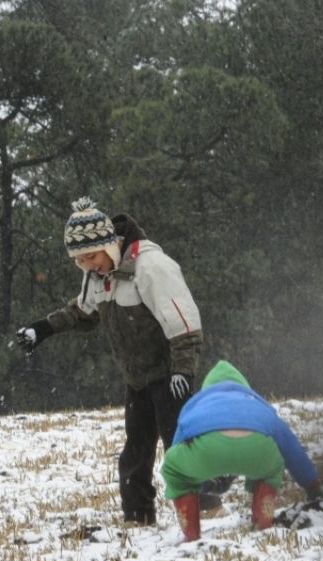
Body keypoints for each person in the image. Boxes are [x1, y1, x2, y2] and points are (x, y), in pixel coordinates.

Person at [16, 198, 203, 525]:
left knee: (180, 447)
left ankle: (202, 511)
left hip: (168, 373)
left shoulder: (151, 267)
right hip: (137, 379)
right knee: (135, 455)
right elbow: (82, 312)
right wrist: (42, 329)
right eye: (79, 260)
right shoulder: (99, 276)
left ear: (110, 245)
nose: (87, 265)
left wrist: (182, 372)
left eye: (91, 256)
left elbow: (183, 324)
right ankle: (138, 518)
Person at [160, 360, 323, 541]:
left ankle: (191, 534)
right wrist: (313, 487)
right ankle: (262, 521)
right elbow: (291, 448)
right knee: (272, 466)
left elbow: (179, 445)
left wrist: (199, 480)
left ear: (207, 389)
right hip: (257, 451)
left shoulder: (196, 404)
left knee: (175, 469)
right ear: (243, 386)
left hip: (206, 450)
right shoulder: (259, 404)